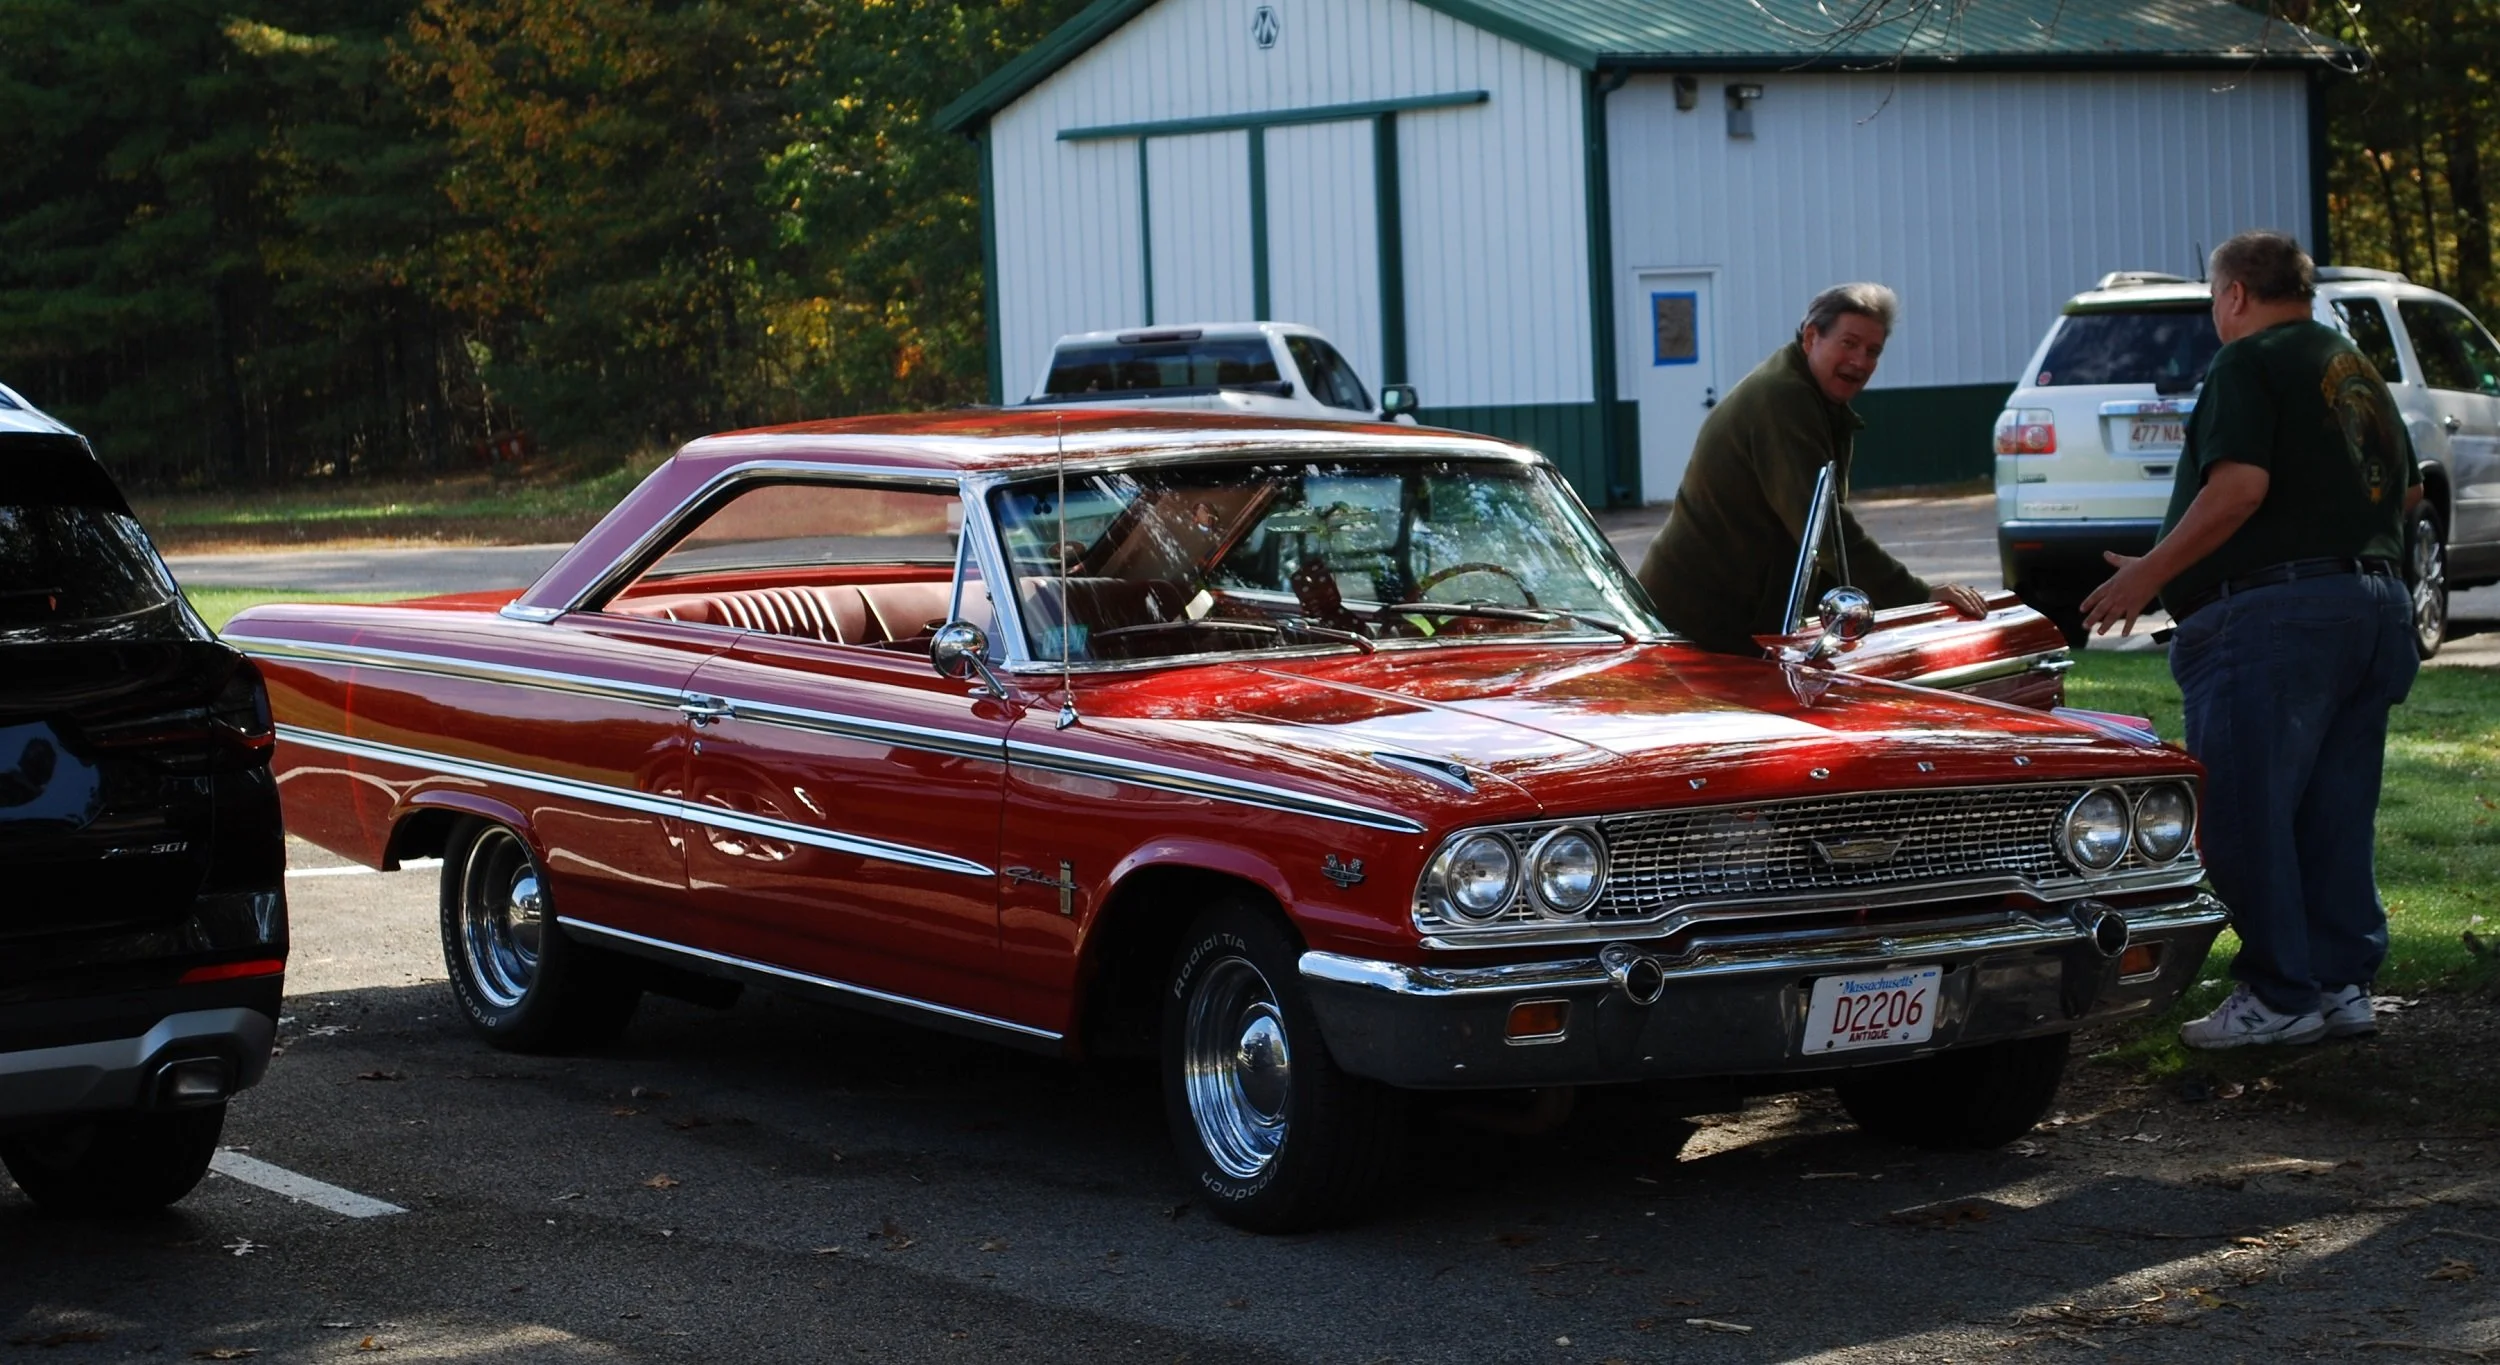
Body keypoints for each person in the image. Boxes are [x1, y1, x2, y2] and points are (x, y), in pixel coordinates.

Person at [2079, 230, 2419, 1049]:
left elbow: (2239, 489)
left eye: (2211, 299)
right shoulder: (2352, 367)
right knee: (2334, 812)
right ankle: (2341, 985)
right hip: (2371, 607)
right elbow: (2404, 496)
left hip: (2274, 622)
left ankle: (2278, 991)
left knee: (2244, 811)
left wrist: (2149, 573)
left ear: (2233, 293)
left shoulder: (2248, 361)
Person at [1635, 283, 1989, 653]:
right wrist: (1916, 595)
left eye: (1873, 351)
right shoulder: (1783, 398)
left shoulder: (1812, 397)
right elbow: (1818, 528)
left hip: (1729, 622)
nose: (1859, 362)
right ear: (1811, 337)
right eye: (1848, 343)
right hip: (1691, 623)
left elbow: (1814, 541)